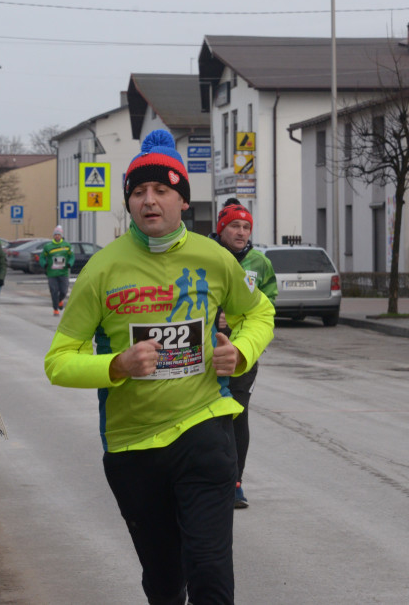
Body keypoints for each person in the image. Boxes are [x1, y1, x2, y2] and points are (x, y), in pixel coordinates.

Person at [44, 129, 275, 605]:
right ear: (128, 202)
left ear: (182, 201)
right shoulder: (102, 269)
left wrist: (244, 350)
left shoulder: (215, 259)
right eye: (138, 192)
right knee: (165, 581)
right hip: (133, 446)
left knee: (210, 574)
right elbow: (59, 362)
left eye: (162, 190)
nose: (149, 201)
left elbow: (260, 313)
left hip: (205, 429)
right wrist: (116, 365)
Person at [210, 198, 277, 508]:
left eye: (246, 226)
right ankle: (205, 480)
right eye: (234, 225)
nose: (241, 232)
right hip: (205, 353)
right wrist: (215, 319)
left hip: (242, 354)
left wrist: (235, 322)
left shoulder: (259, 263)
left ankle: (235, 482)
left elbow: (266, 304)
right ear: (221, 228)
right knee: (207, 419)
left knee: (237, 415)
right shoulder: (205, 256)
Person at [40, 225, 75, 316]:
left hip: (63, 272)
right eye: (55, 235)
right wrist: (44, 264)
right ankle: (55, 309)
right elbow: (42, 258)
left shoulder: (66, 246)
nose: (57, 236)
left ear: (61, 235)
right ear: (53, 236)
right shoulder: (48, 246)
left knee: (64, 291)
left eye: (58, 235)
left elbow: (72, 256)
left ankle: (60, 300)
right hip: (52, 273)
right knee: (54, 290)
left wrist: (69, 264)